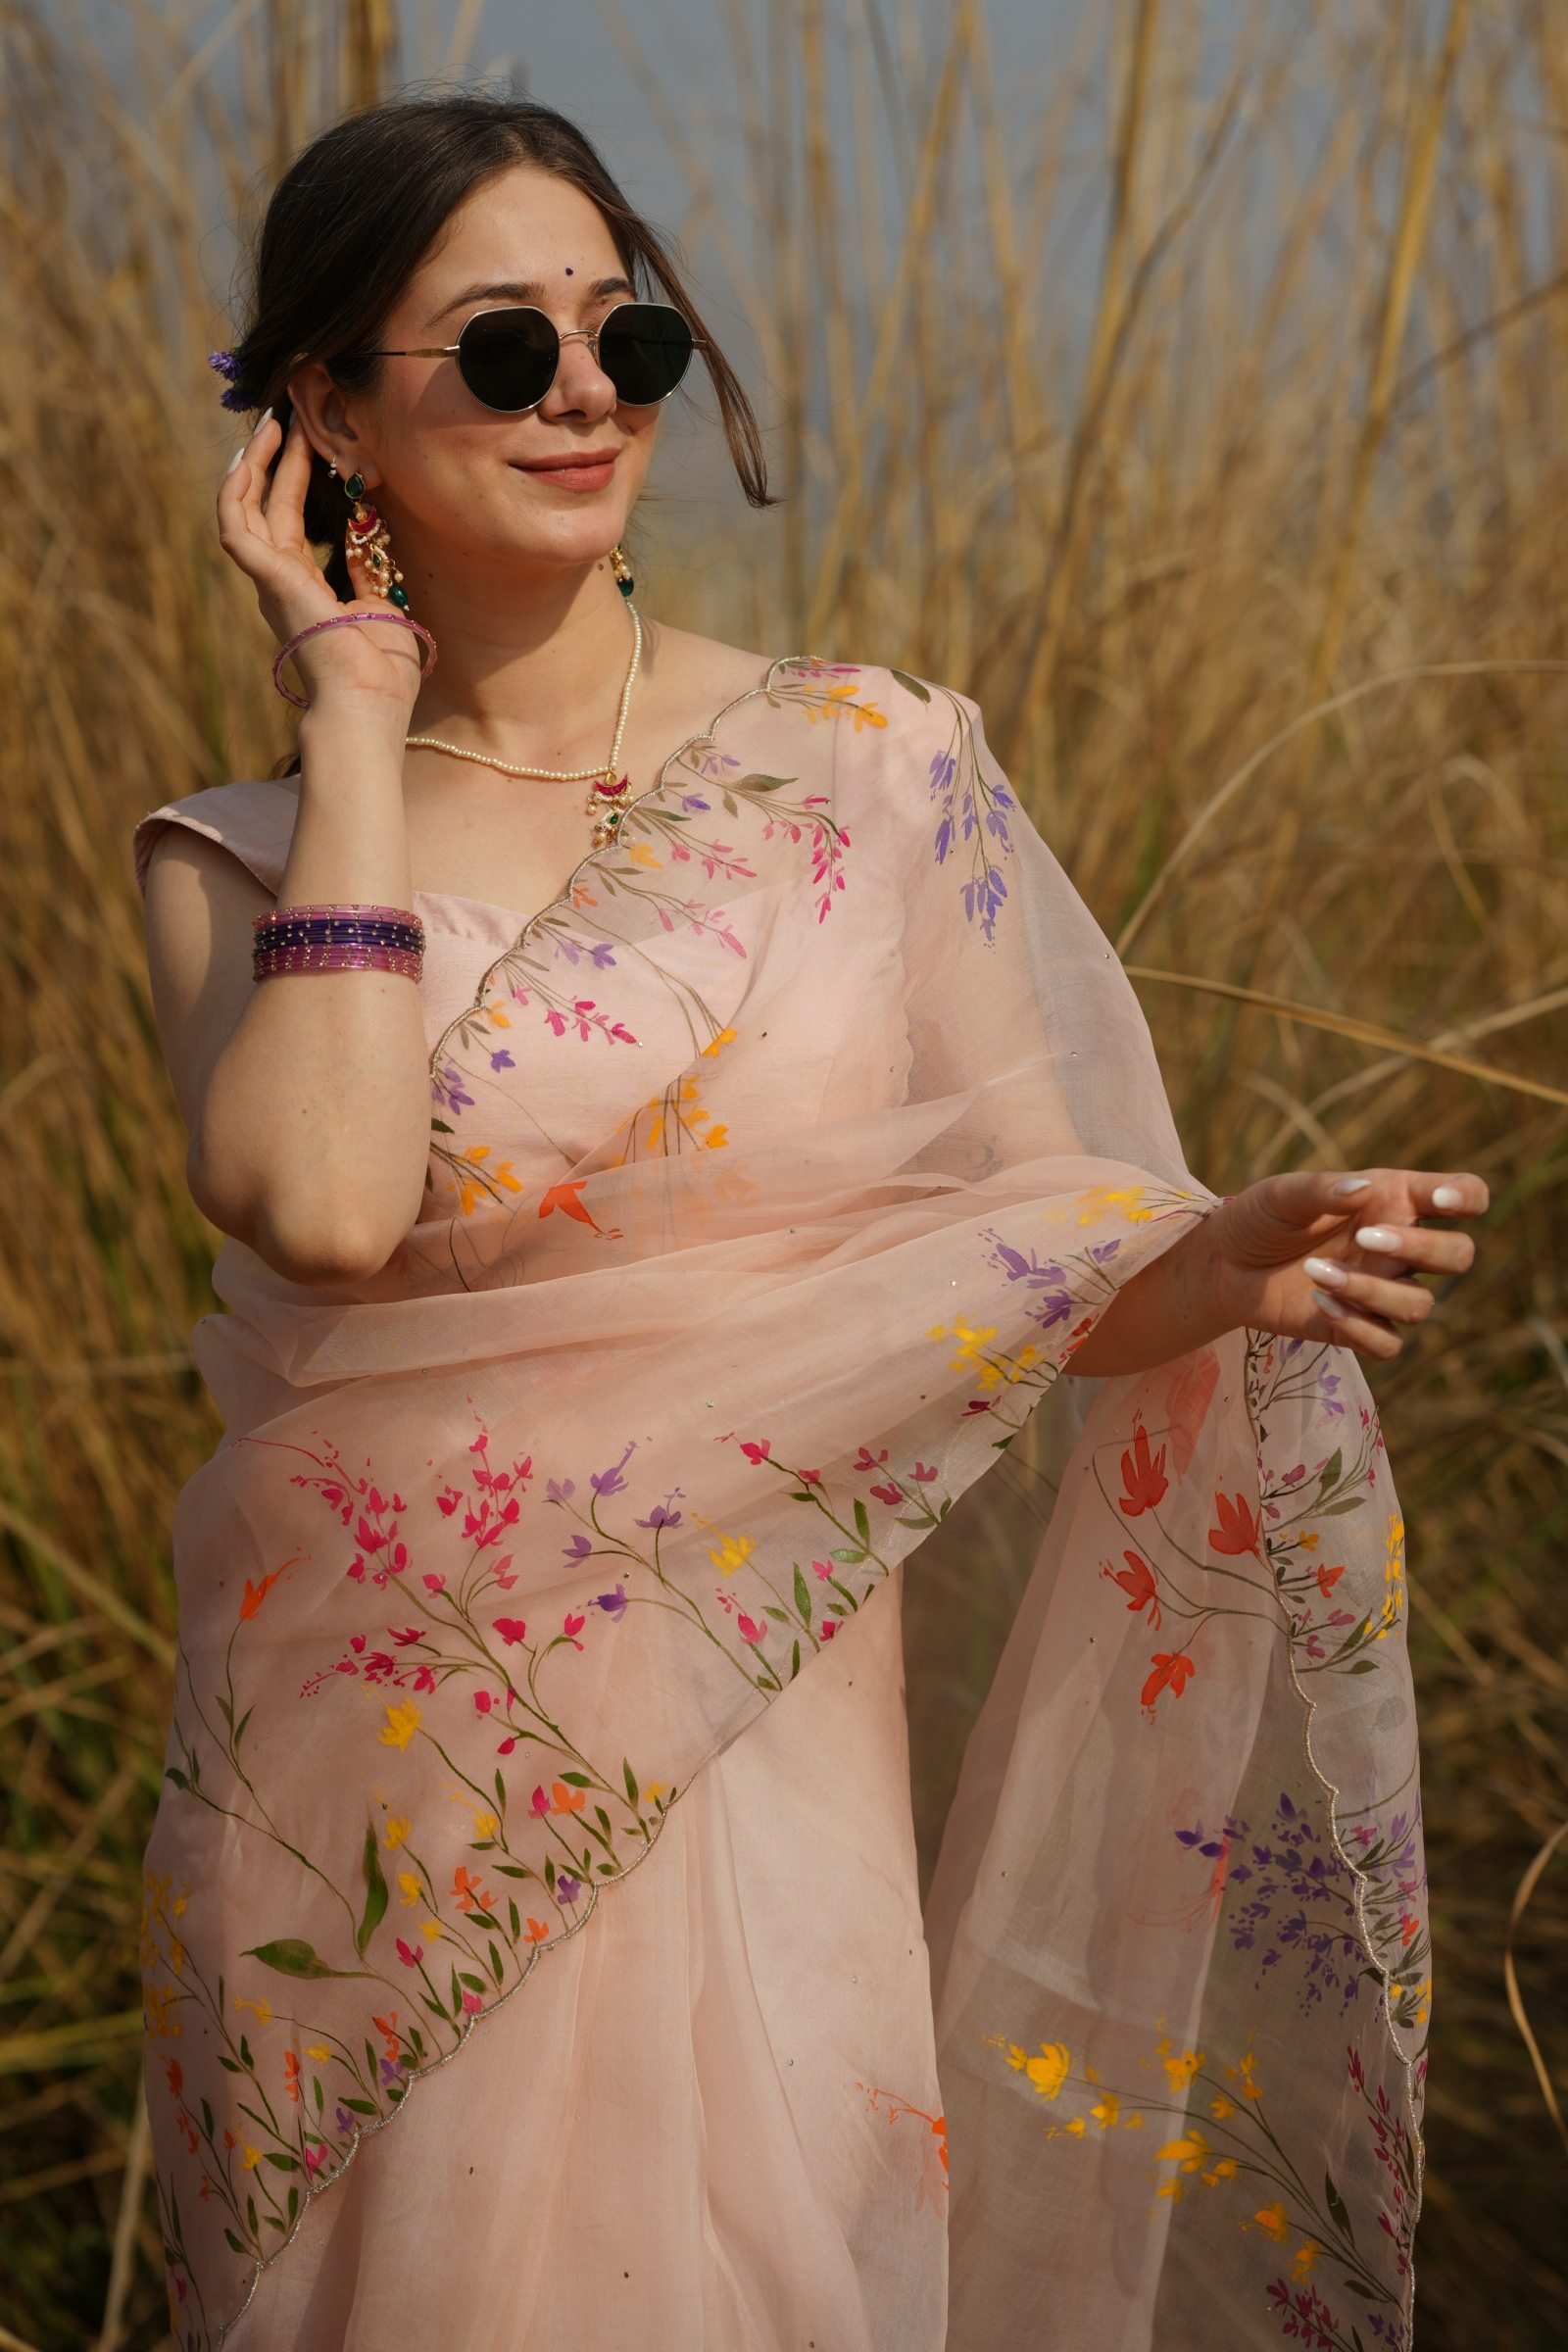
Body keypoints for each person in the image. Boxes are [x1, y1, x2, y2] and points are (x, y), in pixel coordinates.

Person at [132, 92, 1485, 2352]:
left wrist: (1221, 1253)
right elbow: (326, 1205)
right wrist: (352, 712)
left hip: (756, 1780)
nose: (582, 392)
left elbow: (1043, 1258)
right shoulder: (243, 856)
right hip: (381, 1844)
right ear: (319, 422)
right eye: (495, 348)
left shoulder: (868, 772)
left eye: (624, 337)